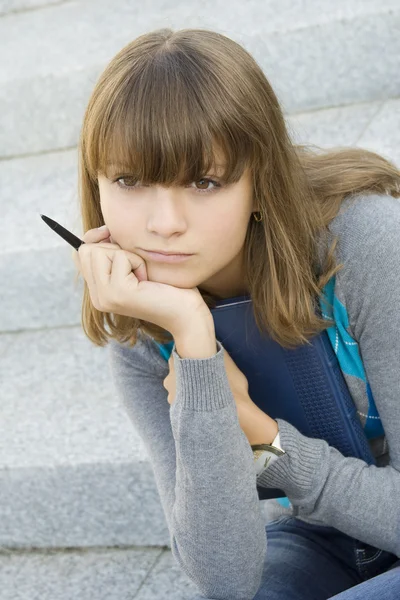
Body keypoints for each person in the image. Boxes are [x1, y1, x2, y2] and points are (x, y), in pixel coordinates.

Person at [72, 28, 400, 600]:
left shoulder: (366, 247)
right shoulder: (146, 324)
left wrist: (266, 440)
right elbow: (226, 577)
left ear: (259, 182)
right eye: (129, 181)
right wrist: (194, 344)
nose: (164, 223)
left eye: (205, 181)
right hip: (320, 540)